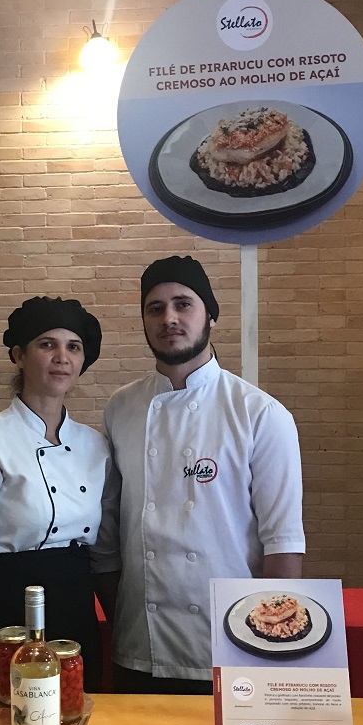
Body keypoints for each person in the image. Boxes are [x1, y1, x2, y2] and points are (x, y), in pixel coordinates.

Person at [92, 255, 305, 693]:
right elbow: (109, 534)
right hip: (140, 647)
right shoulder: (121, 408)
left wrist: (269, 647)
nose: (169, 318)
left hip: (231, 644)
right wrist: (122, 620)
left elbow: (283, 544)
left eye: (183, 304)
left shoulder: (259, 413)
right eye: (155, 308)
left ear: (210, 315)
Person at [0, 296, 109, 691]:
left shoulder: (95, 446)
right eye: (47, 344)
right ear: (19, 355)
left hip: (76, 614)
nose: (62, 357)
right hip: (7, 617)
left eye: (73, 347)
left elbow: (103, 551)